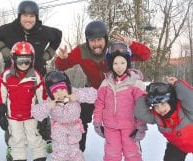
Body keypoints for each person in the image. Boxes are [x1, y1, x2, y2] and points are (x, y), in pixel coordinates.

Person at [55, 20, 151, 152]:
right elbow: (61, 66)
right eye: (92, 40)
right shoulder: (81, 51)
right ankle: (77, 151)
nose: (96, 44)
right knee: (80, 117)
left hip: (116, 92)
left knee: (126, 122)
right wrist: (62, 58)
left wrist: (132, 45)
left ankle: (135, 155)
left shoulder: (116, 48)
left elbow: (146, 55)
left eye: (99, 39)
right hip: (93, 91)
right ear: (87, 41)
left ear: (105, 38)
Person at [0, 0, 62, 152]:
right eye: (25, 16)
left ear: (36, 17)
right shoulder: (9, 29)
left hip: (37, 76)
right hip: (12, 77)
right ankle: (12, 143)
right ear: (19, 16)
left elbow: (58, 35)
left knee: (41, 105)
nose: (28, 19)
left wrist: (48, 54)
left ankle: (44, 137)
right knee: (12, 109)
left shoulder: (43, 31)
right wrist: (4, 51)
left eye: (32, 16)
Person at [31, 70, 102, 161]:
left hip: (74, 128)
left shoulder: (73, 92)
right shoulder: (50, 100)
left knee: (75, 152)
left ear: (68, 87)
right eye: (55, 91)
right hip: (59, 129)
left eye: (62, 89)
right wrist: (48, 106)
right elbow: (36, 112)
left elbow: (94, 94)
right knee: (61, 152)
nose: (59, 94)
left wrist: (77, 95)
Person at [92, 42, 148, 161]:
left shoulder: (136, 83)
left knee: (132, 151)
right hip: (111, 126)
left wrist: (141, 126)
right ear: (111, 64)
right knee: (112, 151)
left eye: (122, 62)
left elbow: (141, 106)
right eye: (115, 63)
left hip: (130, 126)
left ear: (128, 63)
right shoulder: (106, 83)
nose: (119, 66)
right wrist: (97, 121)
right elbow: (99, 104)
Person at [0, 41, 47, 161]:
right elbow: (1, 93)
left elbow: (42, 95)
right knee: (16, 139)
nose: (24, 64)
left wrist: (43, 115)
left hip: (31, 115)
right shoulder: (6, 75)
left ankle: (40, 160)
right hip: (13, 116)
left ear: (32, 60)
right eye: (20, 60)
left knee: (34, 138)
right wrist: (0, 110)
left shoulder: (35, 76)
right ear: (13, 59)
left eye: (27, 60)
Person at [134, 77, 193, 161]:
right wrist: (145, 95)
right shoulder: (156, 117)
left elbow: (189, 97)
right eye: (155, 106)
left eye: (162, 104)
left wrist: (178, 84)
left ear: (171, 100)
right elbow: (140, 112)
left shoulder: (186, 110)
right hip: (177, 145)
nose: (160, 109)